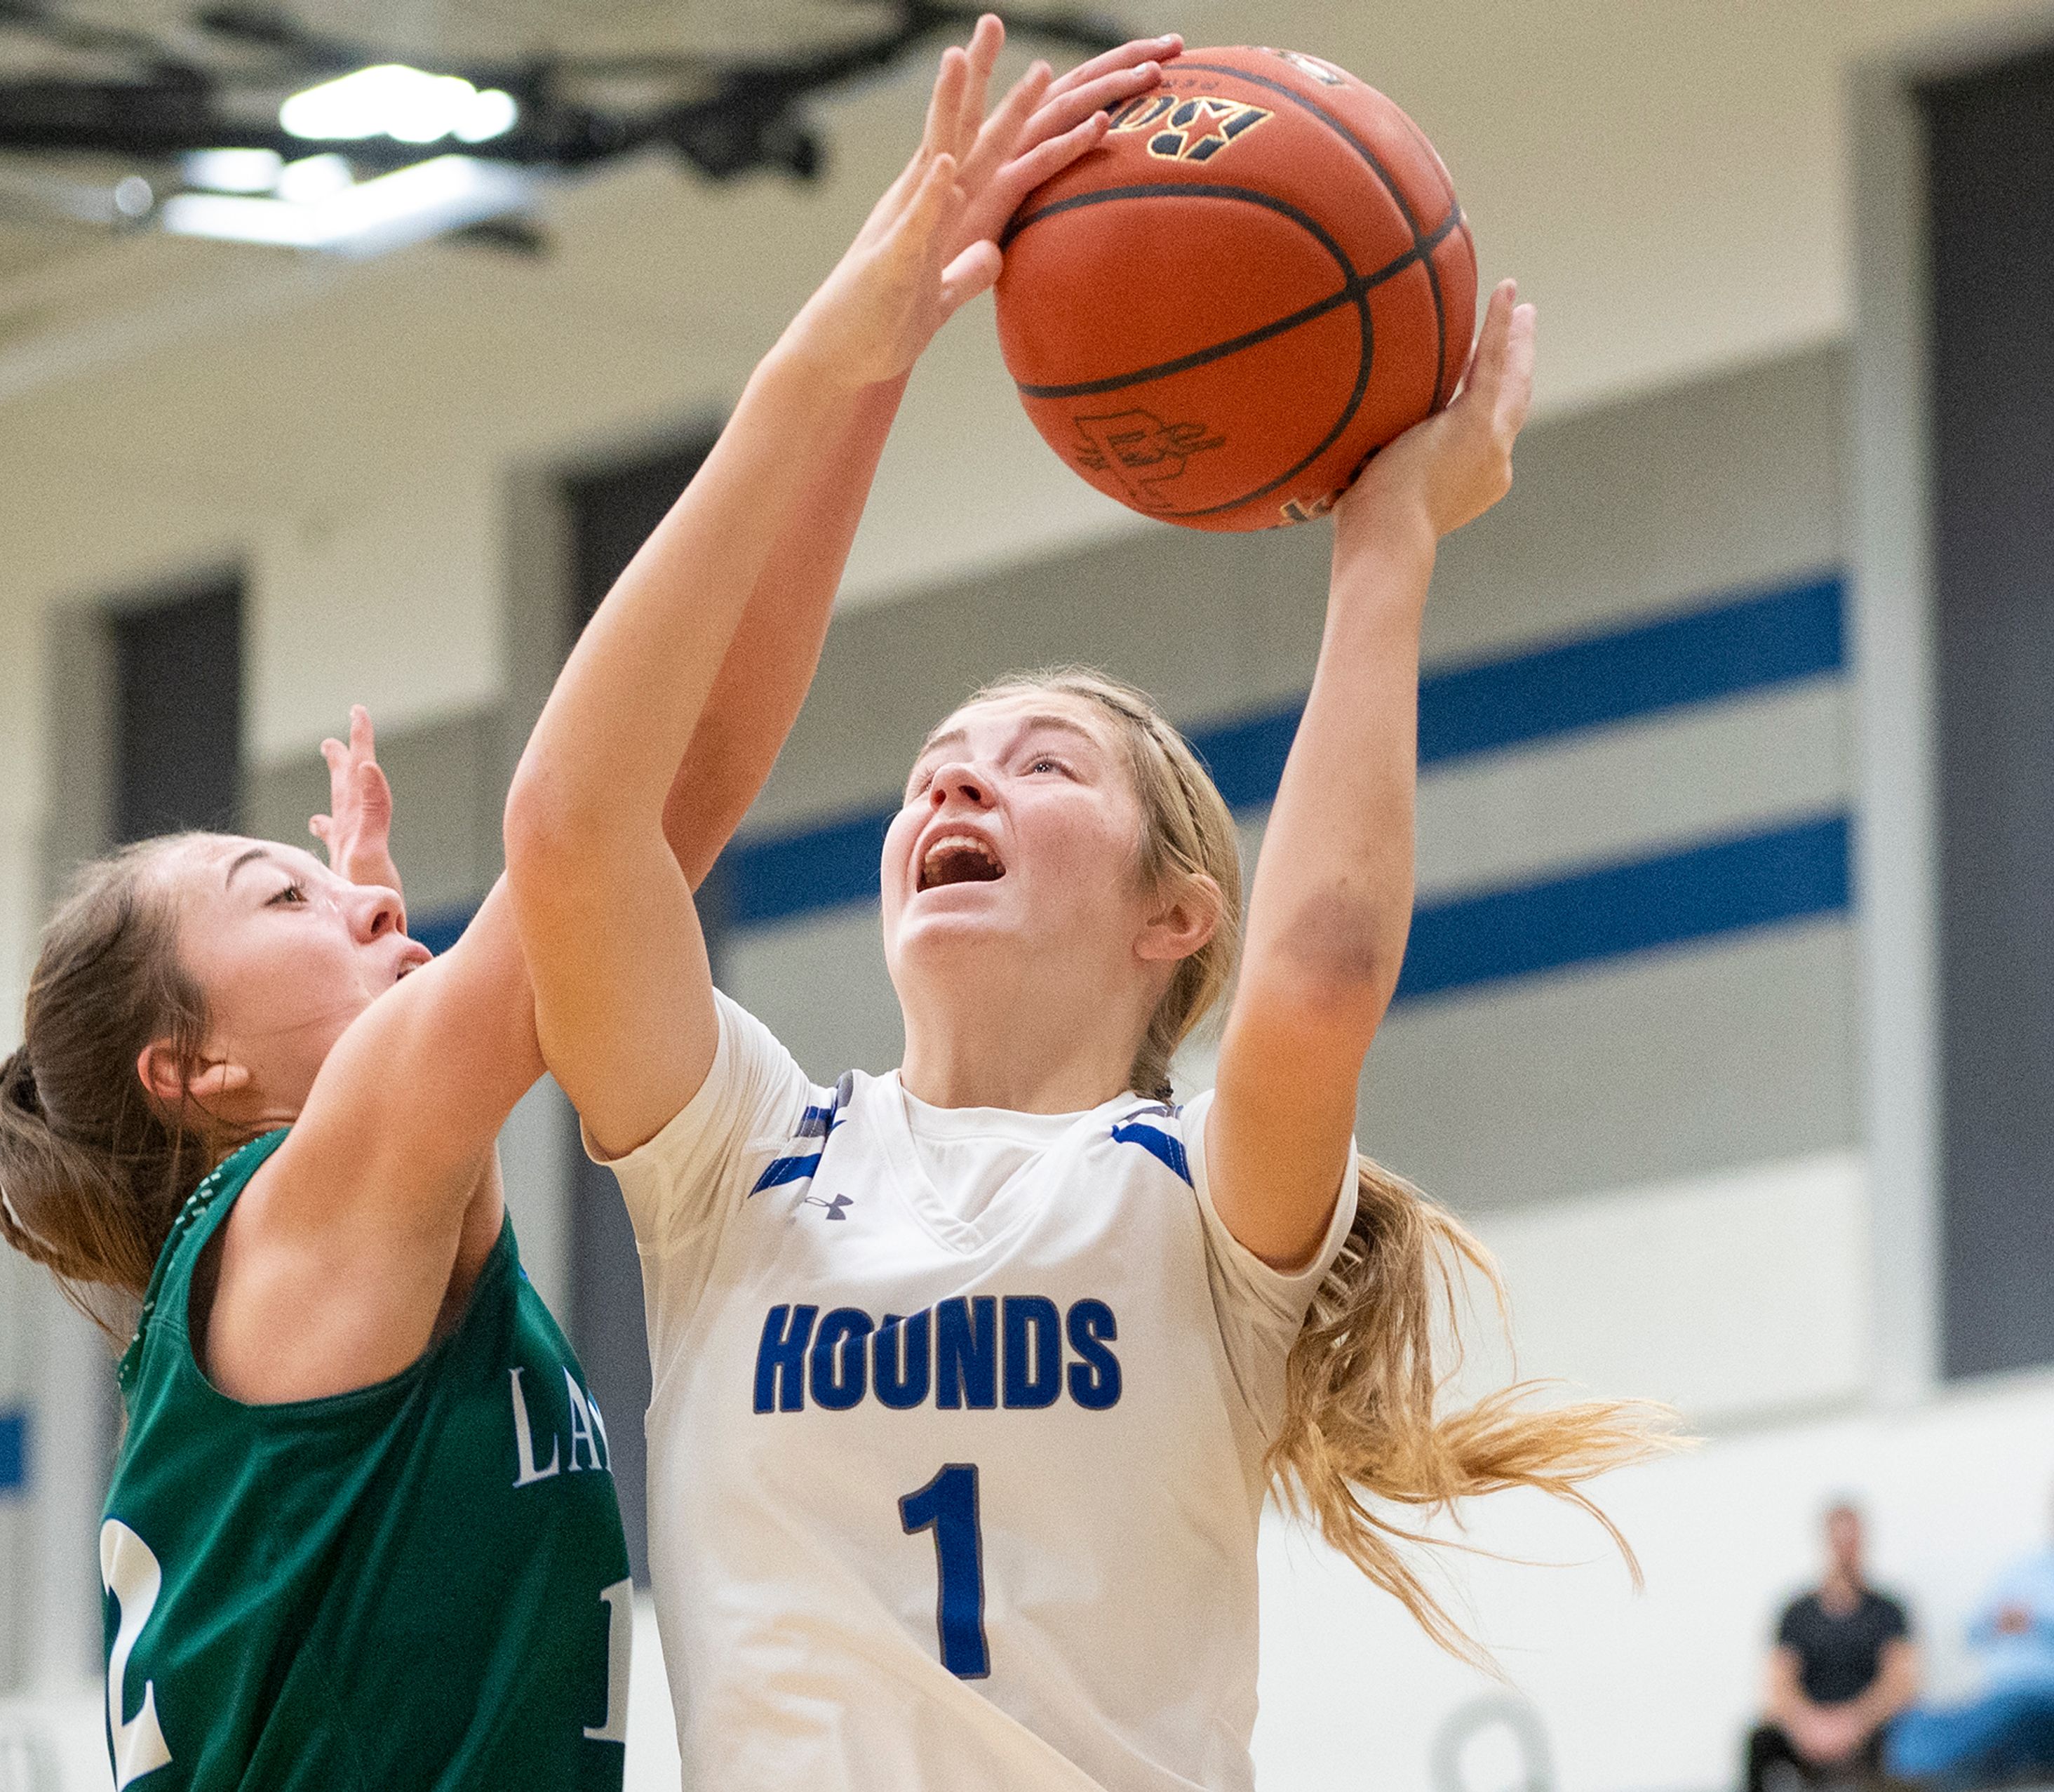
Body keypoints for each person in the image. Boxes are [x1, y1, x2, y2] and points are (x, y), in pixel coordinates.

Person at [0, 25, 1180, 1792]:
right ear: (195, 1067)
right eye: (279, 893)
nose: (367, 907)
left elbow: (665, 806)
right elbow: (612, 812)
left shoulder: (372, 1232)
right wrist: (814, 361)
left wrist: (875, 372)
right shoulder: (302, 1203)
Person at [500, 46, 1673, 1790]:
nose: (954, 789)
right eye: (932, 770)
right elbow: (572, 832)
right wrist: (840, 346)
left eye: (1038, 766)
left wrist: (1383, 549)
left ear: (1174, 913)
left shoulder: (1198, 1200)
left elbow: (1326, 965)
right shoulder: (734, 1154)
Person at [1888, 1487, 2054, 1787]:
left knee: (1997, 1726)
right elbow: (1971, 1633)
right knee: (1916, 1723)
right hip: (1998, 1698)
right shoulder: (2020, 1570)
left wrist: (2038, 1623)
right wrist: (1997, 1622)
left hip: (2040, 1700)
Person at [1747, 1502, 1918, 1791]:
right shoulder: (1796, 1613)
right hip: (1809, 1727)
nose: (1845, 1549)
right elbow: (1779, 1684)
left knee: (1910, 1740)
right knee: (1761, 1741)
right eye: (1839, 1540)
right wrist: (1807, 1725)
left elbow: (1900, 1684)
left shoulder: (1889, 1611)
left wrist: (1854, 1723)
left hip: (1868, 1727)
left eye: (1851, 1539)